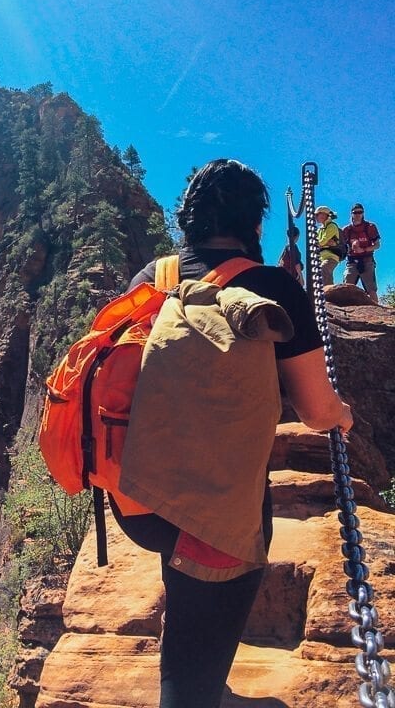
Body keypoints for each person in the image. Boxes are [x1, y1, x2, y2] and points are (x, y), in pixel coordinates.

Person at [110, 159, 352, 708]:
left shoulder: (153, 278)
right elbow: (315, 410)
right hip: (218, 507)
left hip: (138, 496)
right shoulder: (270, 288)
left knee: (187, 594)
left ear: (188, 220)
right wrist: (342, 416)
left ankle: (209, 687)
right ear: (255, 223)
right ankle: (197, 694)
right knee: (200, 630)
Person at [342, 203, 381, 303]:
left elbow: (377, 245)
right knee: (347, 287)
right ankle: (346, 311)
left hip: (367, 260)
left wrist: (364, 249)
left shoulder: (370, 227)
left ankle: (376, 311)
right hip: (352, 261)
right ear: (351, 214)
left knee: (371, 289)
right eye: (355, 212)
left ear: (363, 213)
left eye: (360, 212)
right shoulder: (347, 230)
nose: (358, 214)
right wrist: (351, 249)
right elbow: (342, 247)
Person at [315, 206, 340, 286]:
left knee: (324, 269)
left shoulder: (332, 226)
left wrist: (322, 244)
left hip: (331, 257)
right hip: (321, 257)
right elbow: (316, 244)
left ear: (324, 215)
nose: (316, 217)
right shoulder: (320, 229)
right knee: (320, 276)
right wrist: (325, 244)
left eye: (318, 214)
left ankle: (329, 294)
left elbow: (321, 242)